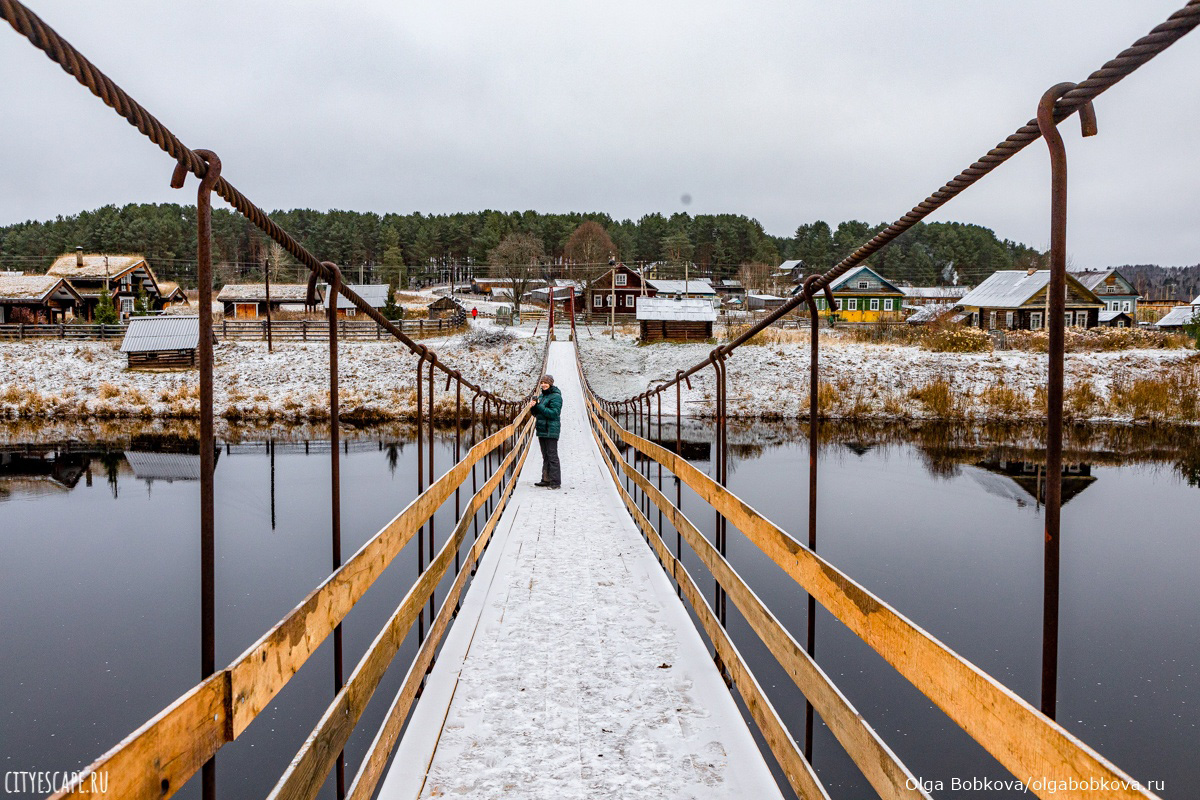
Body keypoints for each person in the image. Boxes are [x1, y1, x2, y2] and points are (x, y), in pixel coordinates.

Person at [529, 374, 562, 488]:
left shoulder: (556, 397)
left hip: (551, 429)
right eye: (542, 382)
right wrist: (533, 407)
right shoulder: (542, 396)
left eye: (546, 382)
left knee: (552, 456)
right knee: (545, 456)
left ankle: (555, 482)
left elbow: (554, 413)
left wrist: (539, 406)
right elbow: (536, 414)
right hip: (542, 429)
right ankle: (546, 479)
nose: (543, 384)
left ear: (551, 383)